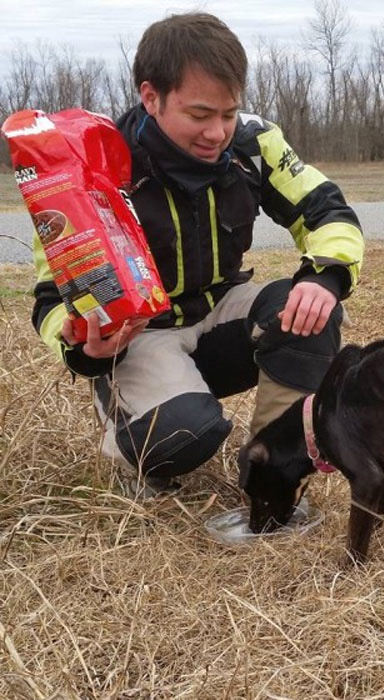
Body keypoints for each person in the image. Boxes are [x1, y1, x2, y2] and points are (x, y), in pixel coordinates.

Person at [30, 12, 364, 495]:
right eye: (200, 115)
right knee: (185, 435)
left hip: (218, 310)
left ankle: (272, 469)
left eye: (228, 114)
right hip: (141, 334)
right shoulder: (91, 168)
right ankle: (140, 436)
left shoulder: (254, 143)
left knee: (310, 313)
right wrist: (81, 347)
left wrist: (325, 277)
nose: (217, 133)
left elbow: (327, 211)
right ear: (151, 97)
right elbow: (48, 297)